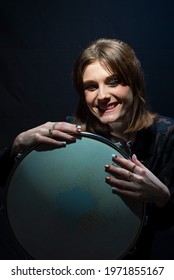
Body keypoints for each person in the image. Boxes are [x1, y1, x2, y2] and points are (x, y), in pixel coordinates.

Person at [1, 38, 174, 259]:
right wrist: (18, 144)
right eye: (91, 86)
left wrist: (162, 197)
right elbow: (21, 189)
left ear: (134, 83)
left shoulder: (165, 136)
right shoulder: (71, 136)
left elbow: (166, 222)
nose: (102, 95)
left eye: (113, 82)